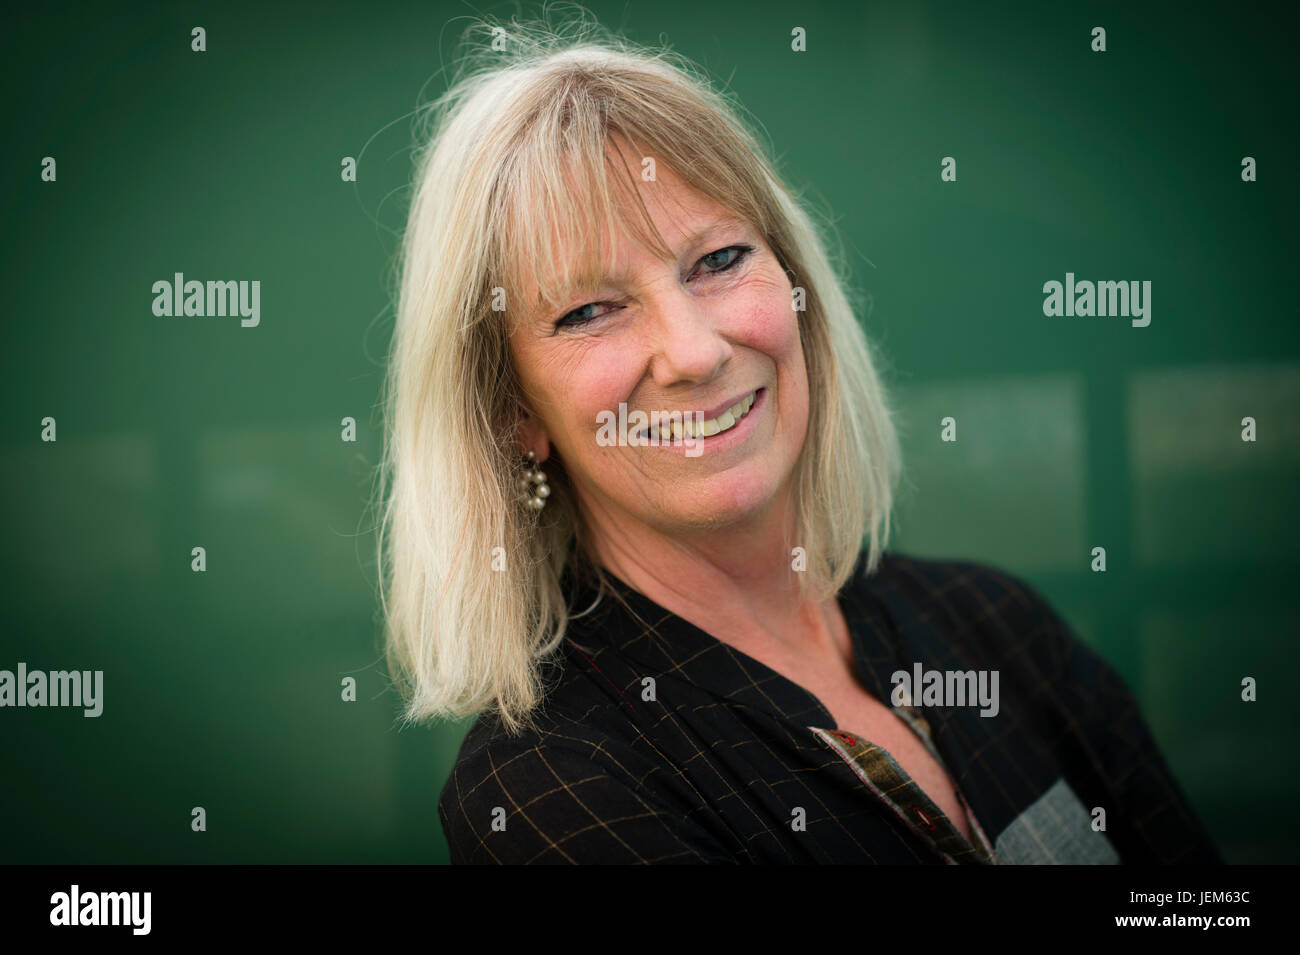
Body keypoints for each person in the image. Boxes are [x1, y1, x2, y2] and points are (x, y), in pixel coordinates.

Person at [374, 15, 1222, 864]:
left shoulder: (994, 625)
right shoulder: (547, 785)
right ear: (514, 414)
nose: (697, 351)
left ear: (795, 283)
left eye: (717, 260)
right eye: (588, 310)